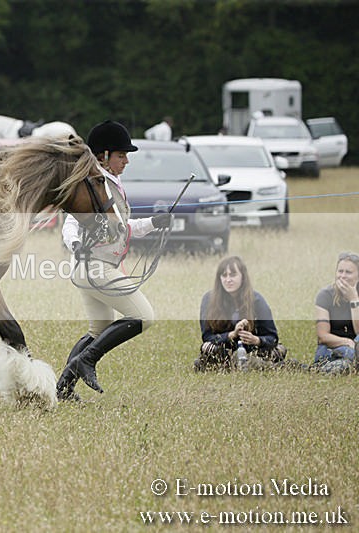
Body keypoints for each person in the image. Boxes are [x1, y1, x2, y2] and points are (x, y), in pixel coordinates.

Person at [56, 120, 173, 400]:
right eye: (122, 155)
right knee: (143, 317)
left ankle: (62, 389)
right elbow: (70, 223)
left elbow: (123, 227)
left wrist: (154, 223)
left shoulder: (112, 184)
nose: (127, 161)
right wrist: (75, 245)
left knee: (98, 329)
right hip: (94, 267)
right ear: (104, 156)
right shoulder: (92, 184)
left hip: (94, 269)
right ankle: (87, 361)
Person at [195, 256, 287, 371]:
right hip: (224, 350)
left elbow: (272, 338)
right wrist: (231, 335)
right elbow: (207, 337)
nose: (228, 280)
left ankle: (248, 364)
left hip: (253, 349)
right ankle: (240, 365)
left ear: (243, 277)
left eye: (233, 275)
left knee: (279, 349)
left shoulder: (257, 300)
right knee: (207, 348)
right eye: (224, 275)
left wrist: (256, 340)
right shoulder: (209, 300)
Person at [313, 252, 359, 374]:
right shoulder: (325, 295)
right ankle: (343, 364)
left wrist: (354, 300)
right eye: (340, 271)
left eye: (348, 272)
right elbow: (323, 336)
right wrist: (348, 342)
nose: (342, 276)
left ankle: (346, 364)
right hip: (332, 347)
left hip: (356, 347)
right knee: (345, 353)